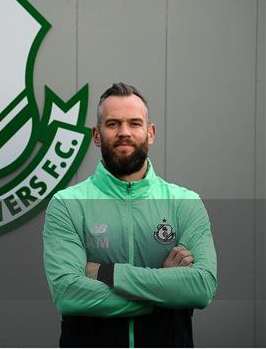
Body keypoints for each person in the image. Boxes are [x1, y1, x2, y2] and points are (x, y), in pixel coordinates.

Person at [43, 83, 217, 347]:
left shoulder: (185, 202)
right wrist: (165, 290)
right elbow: (68, 293)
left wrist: (106, 273)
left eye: (134, 123)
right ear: (97, 134)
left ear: (150, 133)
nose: (124, 132)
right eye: (113, 124)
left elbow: (201, 287)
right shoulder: (68, 204)